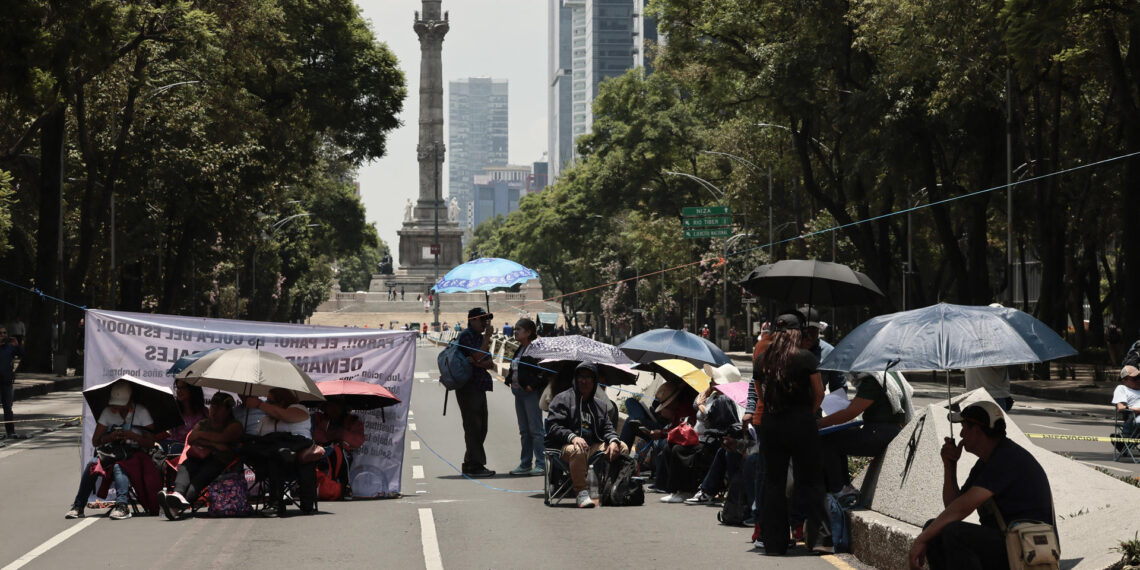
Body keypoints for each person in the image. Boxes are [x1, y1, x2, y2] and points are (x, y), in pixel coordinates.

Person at [909, 401, 1055, 570]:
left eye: (964, 427)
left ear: (977, 431)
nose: (961, 434)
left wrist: (921, 539)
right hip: (1010, 543)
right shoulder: (987, 462)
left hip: (1029, 550)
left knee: (955, 533)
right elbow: (952, 506)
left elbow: (962, 509)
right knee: (935, 528)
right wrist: (950, 466)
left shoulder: (1006, 459)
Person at [756, 312, 830, 555]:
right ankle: (819, 540)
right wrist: (806, 413)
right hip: (801, 422)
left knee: (774, 482)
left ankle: (774, 543)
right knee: (811, 480)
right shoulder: (807, 358)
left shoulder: (762, 360)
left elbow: (760, 394)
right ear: (797, 332)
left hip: (772, 423)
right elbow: (818, 393)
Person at [65, 380, 157, 520]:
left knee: (119, 467)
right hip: (112, 452)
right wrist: (110, 437)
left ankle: (122, 506)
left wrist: (134, 436)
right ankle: (78, 506)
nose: (119, 408)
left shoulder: (142, 412)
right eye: (116, 405)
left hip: (136, 455)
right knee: (92, 464)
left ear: (130, 400)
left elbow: (150, 443)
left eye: (122, 405)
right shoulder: (108, 412)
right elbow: (96, 441)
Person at [544, 362, 628, 508]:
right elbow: (553, 426)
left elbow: (608, 428)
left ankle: (613, 488)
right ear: (575, 379)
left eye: (589, 377)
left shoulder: (600, 405)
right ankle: (581, 493)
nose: (584, 381)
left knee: (623, 447)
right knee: (578, 449)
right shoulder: (562, 399)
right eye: (581, 377)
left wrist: (614, 441)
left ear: (595, 381)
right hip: (565, 447)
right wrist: (573, 437)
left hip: (592, 446)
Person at [818, 372, 912, 494]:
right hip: (890, 431)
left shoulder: (873, 380)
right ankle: (844, 485)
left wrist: (820, 423)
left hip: (878, 434)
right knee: (840, 438)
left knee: (828, 441)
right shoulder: (891, 374)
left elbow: (850, 412)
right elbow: (860, 403)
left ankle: (839, 489)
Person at [159, 392, 243, 519]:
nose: (214, 410)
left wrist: (202, 437)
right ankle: (177, 495)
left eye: (218, 407)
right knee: (185, 467)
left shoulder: (234, 425)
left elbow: (222, 437)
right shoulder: (204, 423)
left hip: (219, 461)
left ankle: (174, 508)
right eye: (212, 406)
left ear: (227, 410)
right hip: (197, 456)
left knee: (197, 482)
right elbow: (193, 438)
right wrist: (215, 444)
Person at [241, 388, 317, 516]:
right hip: (272, 462)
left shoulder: (299, 410)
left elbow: (284, 415)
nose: (267, 404)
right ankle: (275, 503)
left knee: (283, 456)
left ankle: (301, 503)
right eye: (266, 401)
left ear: (282, 402)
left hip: (298, 459)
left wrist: (259, 404)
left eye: (270, 401)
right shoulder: (265, 420)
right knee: (272, 454)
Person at [455, 307, 497, 478]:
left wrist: (478, 360)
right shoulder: (466, 336)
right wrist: (486, 341)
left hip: (479, 386)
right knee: (473, 426)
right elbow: (480, 358)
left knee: (482, 427)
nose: (486, 323)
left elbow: (489, 363)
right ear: (472, 320)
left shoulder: (479, 338)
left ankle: (470, 462)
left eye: (487, 320)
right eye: (482, 320)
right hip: (468, 387)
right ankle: (476, 465)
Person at [505, 318, 546, 476]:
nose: (515, 332)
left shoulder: (535, 349)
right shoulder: (520, 348)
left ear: (528, 332)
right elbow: (516, 367)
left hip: (530, 394)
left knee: (536, 430)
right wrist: (509, 379)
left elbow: (544, 371)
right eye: (515, 329)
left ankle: (541, 464)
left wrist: (533, 385)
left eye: (518, 329)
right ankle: (525, 463)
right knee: (524, 431)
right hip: (519, 394)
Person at [798, 307, 843, 392]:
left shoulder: (830, 352)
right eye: (805, 329)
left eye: (814, 329)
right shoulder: (784, 349)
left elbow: (839, 388)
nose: (809, 334)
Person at [157, 379, 207, 455]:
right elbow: (166, 432)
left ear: (192, 389)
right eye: (177, 388)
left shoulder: (203, 412)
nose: (179, 391)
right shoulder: (173, 408)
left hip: (191, 449)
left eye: (183, 388)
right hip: (171, 446)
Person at [0, 327, 26, 439]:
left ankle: (10, 432)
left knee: (8, 408)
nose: (3, 335)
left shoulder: (10, 348)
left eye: (5, 333)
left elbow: (23, 355)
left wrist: (18, 346)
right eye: (0, 333)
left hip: (7, 383)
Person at [1113, 365, 1140, 438]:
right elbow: (1121, 408)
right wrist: (1137, 410)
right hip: (1134, 417)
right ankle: (1124, 438)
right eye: (1135, 379)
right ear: (1124, 381)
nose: (1138, 380)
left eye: (1139, 377)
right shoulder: (1122, 389)